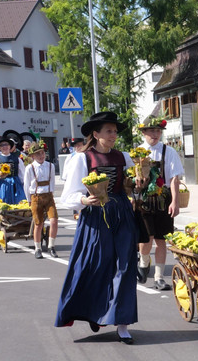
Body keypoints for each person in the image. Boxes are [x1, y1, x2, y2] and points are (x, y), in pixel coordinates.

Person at [56, 111, 141, 343]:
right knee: (95, 265)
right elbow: (68, 196)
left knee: (125, 266)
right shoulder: (83, 159)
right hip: (95, 216)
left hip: (122, 213)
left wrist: (138, 183)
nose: (113, 135)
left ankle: (122, 323)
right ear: (96, 134)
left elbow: (133, 185)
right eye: (108, 131)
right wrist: (84, 200)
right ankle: (94, 311)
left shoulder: (124, 157)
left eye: (115, 131)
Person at [132, 115, 183, 290]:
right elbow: (130, 180)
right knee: (146, 238)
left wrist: (175, 202)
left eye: (158, 131)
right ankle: (144, 259)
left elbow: (175, 178)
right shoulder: (137, 153)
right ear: (143, 132)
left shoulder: (169, 151)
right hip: (144, 199)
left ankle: (159, 278)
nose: (155, 134)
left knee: (162, 239)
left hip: (163, 198)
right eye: (151, 131)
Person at [22, 141, 59, 259]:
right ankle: (37, 248)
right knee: (38, 224)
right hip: (36, 197)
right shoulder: (30, 168)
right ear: (33, 156)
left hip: (48, 196)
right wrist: (29, 199)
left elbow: (52, 181)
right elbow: (26, 185)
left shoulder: (50, 166)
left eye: (42, 153)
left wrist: (51, 193)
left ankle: (51, 246)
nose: (41, 156)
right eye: (38, 154)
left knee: (54, 220)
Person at [0, 134, 26, 204]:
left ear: (10, 146)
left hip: (15, 186)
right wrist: (0, 175)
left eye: (6, 144)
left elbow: (22, 176)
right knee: (2, 205)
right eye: (2, 145)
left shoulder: (17, 159)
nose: (5, 147)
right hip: (1, 186)